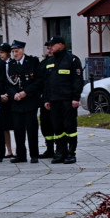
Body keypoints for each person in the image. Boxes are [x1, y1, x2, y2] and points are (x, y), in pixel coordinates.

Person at [40, 36, 83, 164]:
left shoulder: (72, 59)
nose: (51, 47)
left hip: (68, 100)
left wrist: (76, 98)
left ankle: (71, 153)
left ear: (61, 44)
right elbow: (47, 83)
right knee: (58, 128)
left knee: (69, 127)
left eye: (53, 45)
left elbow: (77, 80)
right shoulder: (50, 61)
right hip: (54, 100)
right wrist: (46, 99)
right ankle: (60, 152)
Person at [6, 40, 41, 163]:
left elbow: (38, 81)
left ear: (23, 50)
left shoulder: (32, 62)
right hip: (16, 102)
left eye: (17, 51)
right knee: (18, 130)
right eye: (13, 52)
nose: (15, 54)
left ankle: (34, 154)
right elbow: (7, 84)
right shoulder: (10, 65)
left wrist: (25, 92)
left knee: (31, 130)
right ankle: (20, 155)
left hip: (29, 101)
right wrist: (13, 94)